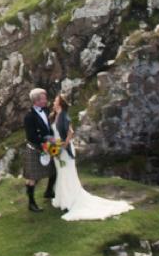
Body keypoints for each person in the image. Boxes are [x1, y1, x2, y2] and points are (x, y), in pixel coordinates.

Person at [49, 92, 133, 221]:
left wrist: (63, 146)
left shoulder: (64, 116)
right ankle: (62, 199)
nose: (53, 103)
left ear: (60, 104)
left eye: (55, 101)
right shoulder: (55, 116)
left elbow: (70, 132)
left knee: (66, 173)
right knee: (61, 173)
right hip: (58, 149)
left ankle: (69, 200)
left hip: (64, 150)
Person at [22, 87, 58, 212]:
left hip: (48, 146)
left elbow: (50, 126)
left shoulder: (46, 110)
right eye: (44, 98)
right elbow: (31, 136)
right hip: (35, 148)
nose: (46, 100)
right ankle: (31, 203)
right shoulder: (29, 116)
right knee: (32, 177)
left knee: (54, 169)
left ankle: (48, 191)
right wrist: (45, 139)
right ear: (37, 101)